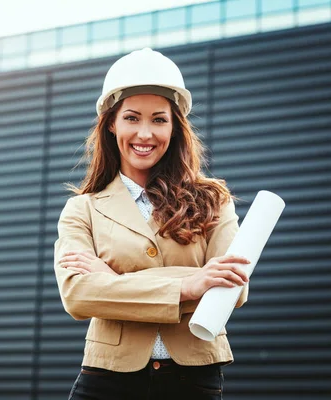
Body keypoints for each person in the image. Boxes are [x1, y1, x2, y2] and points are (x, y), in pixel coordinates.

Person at [53, 48, 251, 400]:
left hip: (194, 380)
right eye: (132, 117)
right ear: (112, 123)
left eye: (159, 119)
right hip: (107, 378)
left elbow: (231, 288)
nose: (145, 133)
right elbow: (78, 295)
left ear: (175, 127)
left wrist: (113, 283)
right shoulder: (81, 209)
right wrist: (189, 286)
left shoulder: (214, 200)